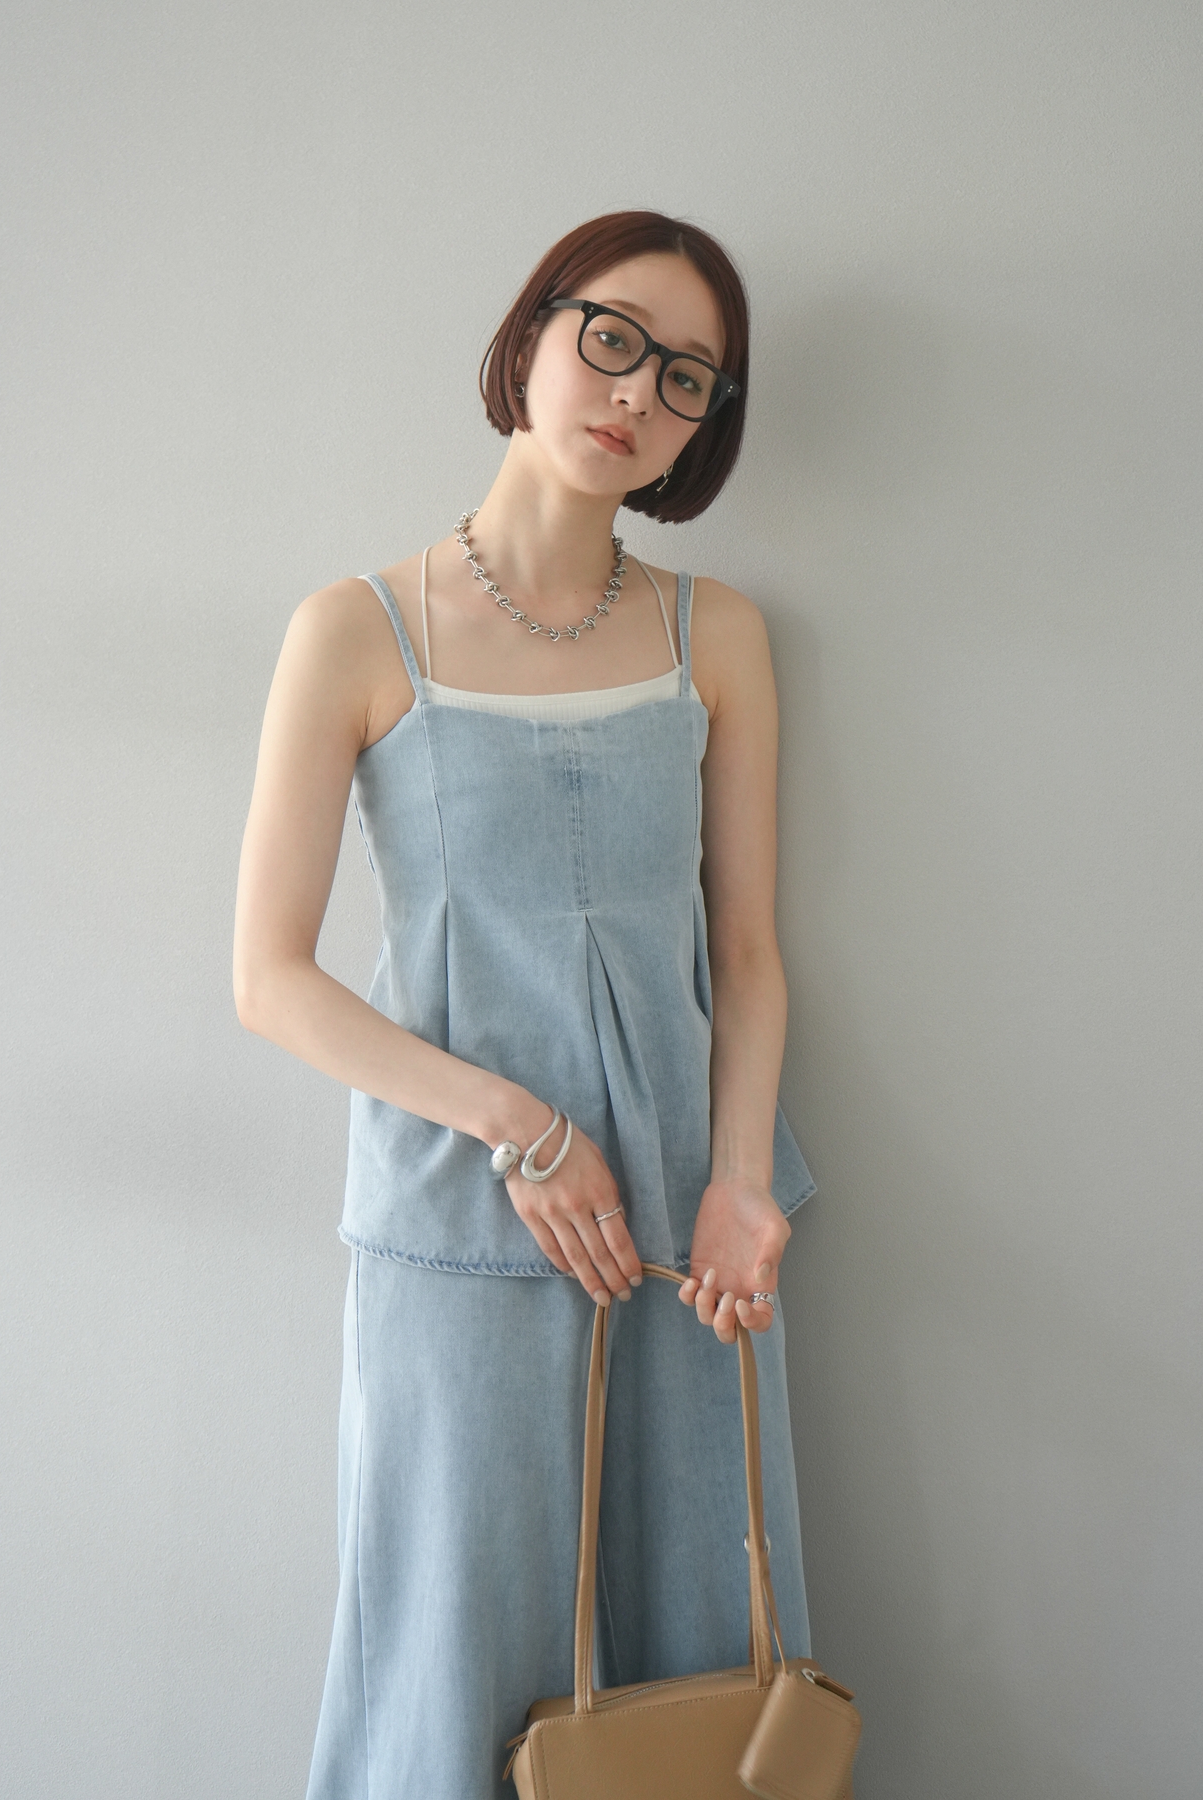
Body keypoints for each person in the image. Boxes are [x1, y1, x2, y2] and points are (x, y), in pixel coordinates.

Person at [232, 209, 818, 1800]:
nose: (635, 391)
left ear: (703, 427)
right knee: (450, 1629)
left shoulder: (716, 634)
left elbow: (746, 952)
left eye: (686, 377)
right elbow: (268, 979)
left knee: (700, 1641)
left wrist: (744, 1185)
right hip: (460, 1215)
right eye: (611, 337)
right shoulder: (355, 629)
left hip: (691, 1234)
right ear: (531, 336)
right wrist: (520, 1127)